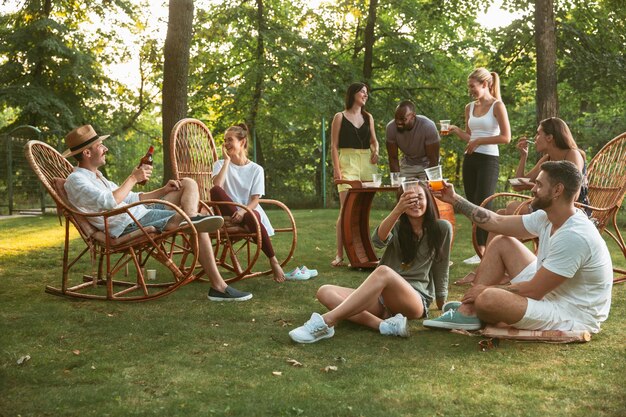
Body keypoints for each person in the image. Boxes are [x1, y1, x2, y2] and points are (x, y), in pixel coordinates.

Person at [62, 124, 252, 302]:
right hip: (127, 224)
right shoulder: (76, 180)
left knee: (187, 183)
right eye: (100, 146)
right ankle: (218, 286)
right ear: (87, 153)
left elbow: (131, 198)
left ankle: (191, 218)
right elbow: (109, 201)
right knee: (196, 224)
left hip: (139, 212)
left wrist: (163, 190)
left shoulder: (97, 177)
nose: (105, 149)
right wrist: (132, 178)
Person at [423, 161, 612, 333]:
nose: (533, 189)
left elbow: (534, 290)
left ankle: (476, 306)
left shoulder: (574, 236)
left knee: (488, 299)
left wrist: (485, 291)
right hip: (551, 292)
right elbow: (495, 222)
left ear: (557, 191)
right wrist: (454, 198)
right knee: (501, 242)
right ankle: (469, 311)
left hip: (571, 312)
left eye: (539, 185)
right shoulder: (546, 217)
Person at [289, 182, 452, 343]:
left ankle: (327, 322)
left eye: (419, 198)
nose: (415, 202)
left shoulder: (441, 228)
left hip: (414, 299)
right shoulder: (397, 225)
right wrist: (397, 211)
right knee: (325, 291)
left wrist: (441, 300)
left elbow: (442, 265)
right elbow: (378, 241)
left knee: (384, 272)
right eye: (408, 198)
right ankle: (384, 326)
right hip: (382, 299)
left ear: (428, 200)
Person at [455, 117, 589, 285]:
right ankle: (487, 267)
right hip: (549, 207)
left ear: (550, 137)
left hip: (571, 210)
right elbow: (519, 182)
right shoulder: (547, 159)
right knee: (501, 213)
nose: (535, 137)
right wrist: (523, 157)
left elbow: (572, 194)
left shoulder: (572, 154)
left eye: (538, 133)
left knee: (511, 207)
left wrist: (539, 186)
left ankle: (499, 268)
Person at [449, 68, 511, 265]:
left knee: (484, 203)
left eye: (473, 86)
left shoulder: (497, 106)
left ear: (485, 84)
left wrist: (480, 141)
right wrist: (457, 130)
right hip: (471, 159)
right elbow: (470, 137)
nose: (471, 90)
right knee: (472, 203)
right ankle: (479, 248)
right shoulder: (469, 107)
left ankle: (484, 250)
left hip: (488, 160)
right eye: (469, 87)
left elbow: (506, 137)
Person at [210, 124, 285, 282]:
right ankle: (248, 222)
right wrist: (226, 162)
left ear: (242, 142)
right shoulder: (219, 165)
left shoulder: (256, 169)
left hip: (247, 211)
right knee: (215, 191)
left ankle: (273, 261)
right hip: (226, 213)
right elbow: (217, 188)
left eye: (230, 140)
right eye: (225, 140)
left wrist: (243, 211)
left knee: (253, 215)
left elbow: (255, 200)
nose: (226, 143)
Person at [330, 82, 380, 267]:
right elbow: (334, 146)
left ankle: (361, 252)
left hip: (366, 163)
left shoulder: (368, 117)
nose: (365, 95)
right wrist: (337, 169)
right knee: (346, 209)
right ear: (353, 94)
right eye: (362, 92)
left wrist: (376, 151)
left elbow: (374, 141)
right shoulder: (340, 117)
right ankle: (340, 254)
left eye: (366, 93)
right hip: (347, 162)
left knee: (362, 210)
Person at [386, 100, 440, 179]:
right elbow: (393, 157)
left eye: (403, 119)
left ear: (413, 116)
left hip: (428, 165)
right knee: (402, 190)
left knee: (430, 189)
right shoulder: (391, 128)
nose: (398, 122)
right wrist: (396, 180)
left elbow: (433, 158)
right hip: (408, 165)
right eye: (396, 118)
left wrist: (429, 182)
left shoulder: (428, 126)